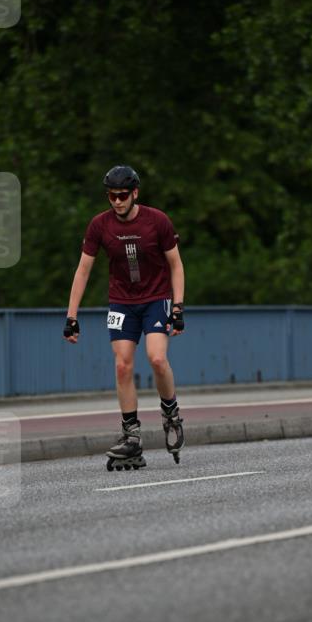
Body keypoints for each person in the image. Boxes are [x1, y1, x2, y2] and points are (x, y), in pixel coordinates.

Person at [64, 165, 185, 468]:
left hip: (156, 299)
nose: (117, 201)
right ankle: (131, 436)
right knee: (122, 365)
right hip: (121, 302)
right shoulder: (99, 225)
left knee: (157, 359)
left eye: (122, 195)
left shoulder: (157, 221)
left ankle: (171, 415)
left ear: (135, 193)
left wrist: (178, 308)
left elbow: (176, 265)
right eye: (111, 196)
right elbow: (83, 270)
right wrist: (71, 316)